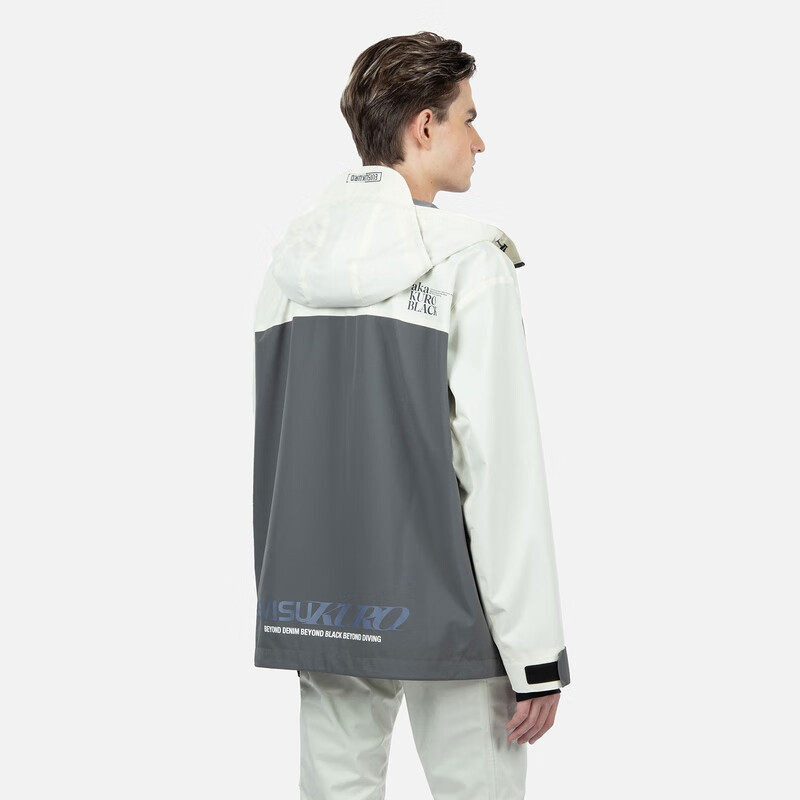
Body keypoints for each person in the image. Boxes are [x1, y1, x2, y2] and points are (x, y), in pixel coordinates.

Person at [252, 31, 571, 800]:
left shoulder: (289, 267)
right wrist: (534, 656)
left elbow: (276, 453)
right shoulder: (470, 264)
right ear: (425, 126)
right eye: (469, 118)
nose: (479, 141)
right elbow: (500, 471)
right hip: (448, 610)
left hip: (318, 602)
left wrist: (287, 598)